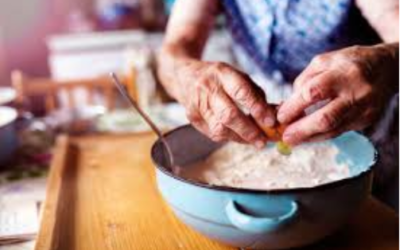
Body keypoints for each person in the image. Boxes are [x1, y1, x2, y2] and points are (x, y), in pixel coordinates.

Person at [157, 0, 399, 207]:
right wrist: (187, 75)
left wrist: (388, 61)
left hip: (368, 124)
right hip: (261, 134)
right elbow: (175, 50)